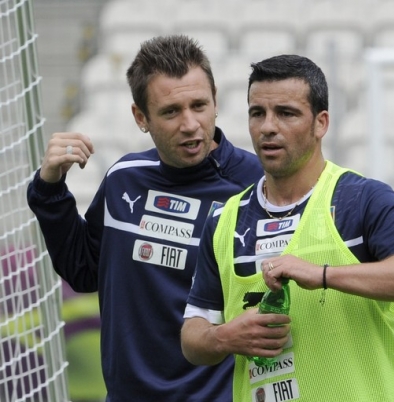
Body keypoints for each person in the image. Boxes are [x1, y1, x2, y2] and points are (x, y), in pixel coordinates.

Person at [181, 54, 394, 402]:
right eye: (257, 113)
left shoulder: (360, 199)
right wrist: (223, 339)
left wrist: (322, 274)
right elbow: (193, 334)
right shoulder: (224, 221)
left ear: (320, 123)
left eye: (286, 113)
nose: (268, 127)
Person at [27, 35, 264, 401]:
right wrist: (50, 188)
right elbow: (84, 269)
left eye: (199, 105)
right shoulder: (125, 179)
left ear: (216, 102)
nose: (190, 124)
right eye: (171, 111)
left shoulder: (256, 189)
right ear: (141, 117)